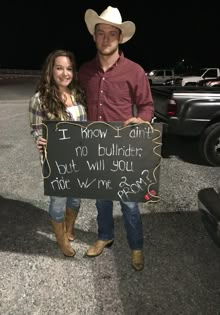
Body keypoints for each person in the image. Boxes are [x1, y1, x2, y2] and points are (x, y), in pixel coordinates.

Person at [78, 6, 154, 271]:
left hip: (124, 149)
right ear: (94, 36)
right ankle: (104, 236)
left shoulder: (135, 71)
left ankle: (136, 247)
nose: (106, 38)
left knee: (130, 204)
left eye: (112, 33)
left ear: (120, 37)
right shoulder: (85, 72)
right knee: (101, 199)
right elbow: (74, 105)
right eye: (101, 33)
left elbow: (146, 106)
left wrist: (142, 120)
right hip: (96, 148)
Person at [29, 49, 87, 257]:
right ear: (51, 70)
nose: (65, 73)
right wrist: (39, 139)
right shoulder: (40, 99)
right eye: (59, 68)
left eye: (69, 68)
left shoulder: (78, 94)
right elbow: (36, 129)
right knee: (59, 201)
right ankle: (61, 240)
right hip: (56, 162)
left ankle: (69, 228)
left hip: (79, 158)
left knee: (75, 200)